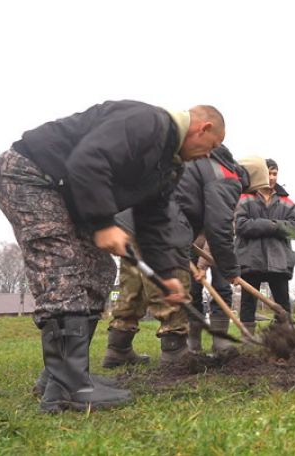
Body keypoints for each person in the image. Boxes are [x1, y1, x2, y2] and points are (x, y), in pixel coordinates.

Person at [0, 100, 224, 412]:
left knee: (98, 270)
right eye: (213, 145)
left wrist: (165, 274)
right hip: (29, 174)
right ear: (203, 128)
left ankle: (62, 376)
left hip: (66, 192)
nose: (209, 154)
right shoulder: (148, 122)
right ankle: (67, 388)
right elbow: (88, 161)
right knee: (65, 265)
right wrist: (103, 224)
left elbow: (153, 222)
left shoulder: (168, 165)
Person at [102, 144, 248, 367]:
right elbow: (219, 226)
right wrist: (229, 269)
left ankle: (118, 349)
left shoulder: (192, 161)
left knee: (133, 288)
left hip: (130, 221)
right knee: (170, 283)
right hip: (162, 228)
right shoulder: (227, 175)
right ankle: (175, 353)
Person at [234, 157, 295, 334]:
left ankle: (286, 338)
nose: (271, 177)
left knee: (282, 303)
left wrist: (267, 225)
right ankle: (248, 341)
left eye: (275, 173)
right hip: (251, 259)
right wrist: (273, 225)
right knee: (248, 304)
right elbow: (241, 225)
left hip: (279, 260)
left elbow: (294, 227)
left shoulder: (287, 202)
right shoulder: (244, 197)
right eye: (268, 173)